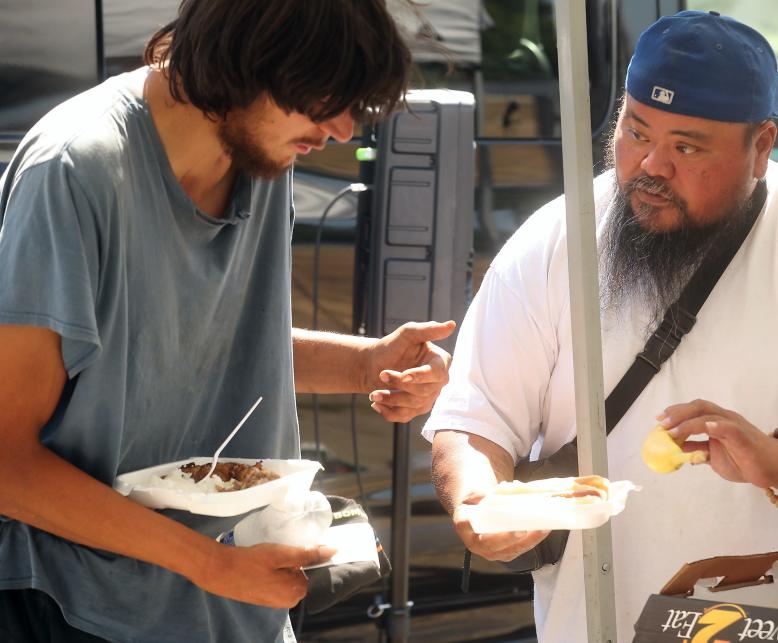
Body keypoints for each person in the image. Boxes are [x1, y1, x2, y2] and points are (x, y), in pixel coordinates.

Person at [425, 9, 778, 641]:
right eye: (636, 132)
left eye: (687, 147)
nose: (651, 166)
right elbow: (475, 418)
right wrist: (479, 503)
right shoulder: (557, 238)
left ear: (761, 146)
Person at [0, 1, 455, 642]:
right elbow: (7, 463)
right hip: (85, 611)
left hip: (239, 602)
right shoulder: (76, 169)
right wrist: (211, 564)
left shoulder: (262, 156)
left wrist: (364, 365)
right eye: (326, 97)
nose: (343, 130)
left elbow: (205, 346)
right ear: (250, 57)